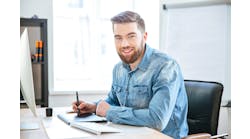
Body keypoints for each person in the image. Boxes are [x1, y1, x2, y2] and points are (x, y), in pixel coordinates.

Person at [72, 11, 188, 139]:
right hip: (129, 135)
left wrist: (109, 111)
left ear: (144, 37)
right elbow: (114, 100)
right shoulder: (118, 69)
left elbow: (157, 120)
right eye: (118, 37)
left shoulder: (166, 67)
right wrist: (94, 107)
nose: (124, 44)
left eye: (131, 36)